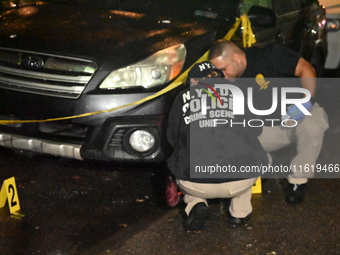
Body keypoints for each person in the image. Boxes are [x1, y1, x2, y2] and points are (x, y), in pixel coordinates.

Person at [209, 40, 329, 204]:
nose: (223, 75)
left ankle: (298, 181)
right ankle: (266, 164)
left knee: (312, 124)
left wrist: (305, 103)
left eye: (224, 69)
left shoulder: (269, 54)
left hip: (296, 118)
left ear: (237, 58)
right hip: (265, 130)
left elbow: (306, 69)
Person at [166, 61, 269, 231]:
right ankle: (239, 214)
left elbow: (172, 138)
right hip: (238, 182)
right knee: (251, 156)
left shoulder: (181, 98)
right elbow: (256, 130)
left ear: (192, 81)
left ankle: (195, 203)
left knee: (181, 162)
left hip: (195, 183)